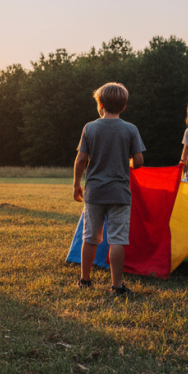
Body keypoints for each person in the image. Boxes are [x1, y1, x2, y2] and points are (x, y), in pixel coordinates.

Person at [72, 83, 145, 296]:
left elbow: (81, 160)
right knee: (117, 239)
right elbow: (139, 161)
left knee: (90, 236)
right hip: (120, 192)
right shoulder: (130, 129)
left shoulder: (90, 128)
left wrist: (77, 184)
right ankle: (117, 285)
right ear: (123, 106)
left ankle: (85, 280)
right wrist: (126, 160)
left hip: (94, 191)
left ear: (100, 104)